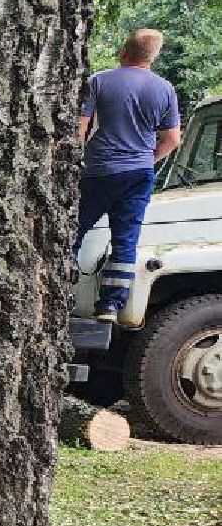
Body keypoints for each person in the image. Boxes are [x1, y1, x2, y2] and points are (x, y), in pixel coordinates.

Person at [78, 28, 183, 323]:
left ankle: (60, 290)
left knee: (73, 231)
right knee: (125, 241)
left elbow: (80, 129)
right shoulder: (165, 89)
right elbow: (172, 139)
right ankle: (110, 306)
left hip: (99, 171)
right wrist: (147, 160)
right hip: (138, 174)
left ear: (124, 51)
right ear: (153, 56)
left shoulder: (99, 81)